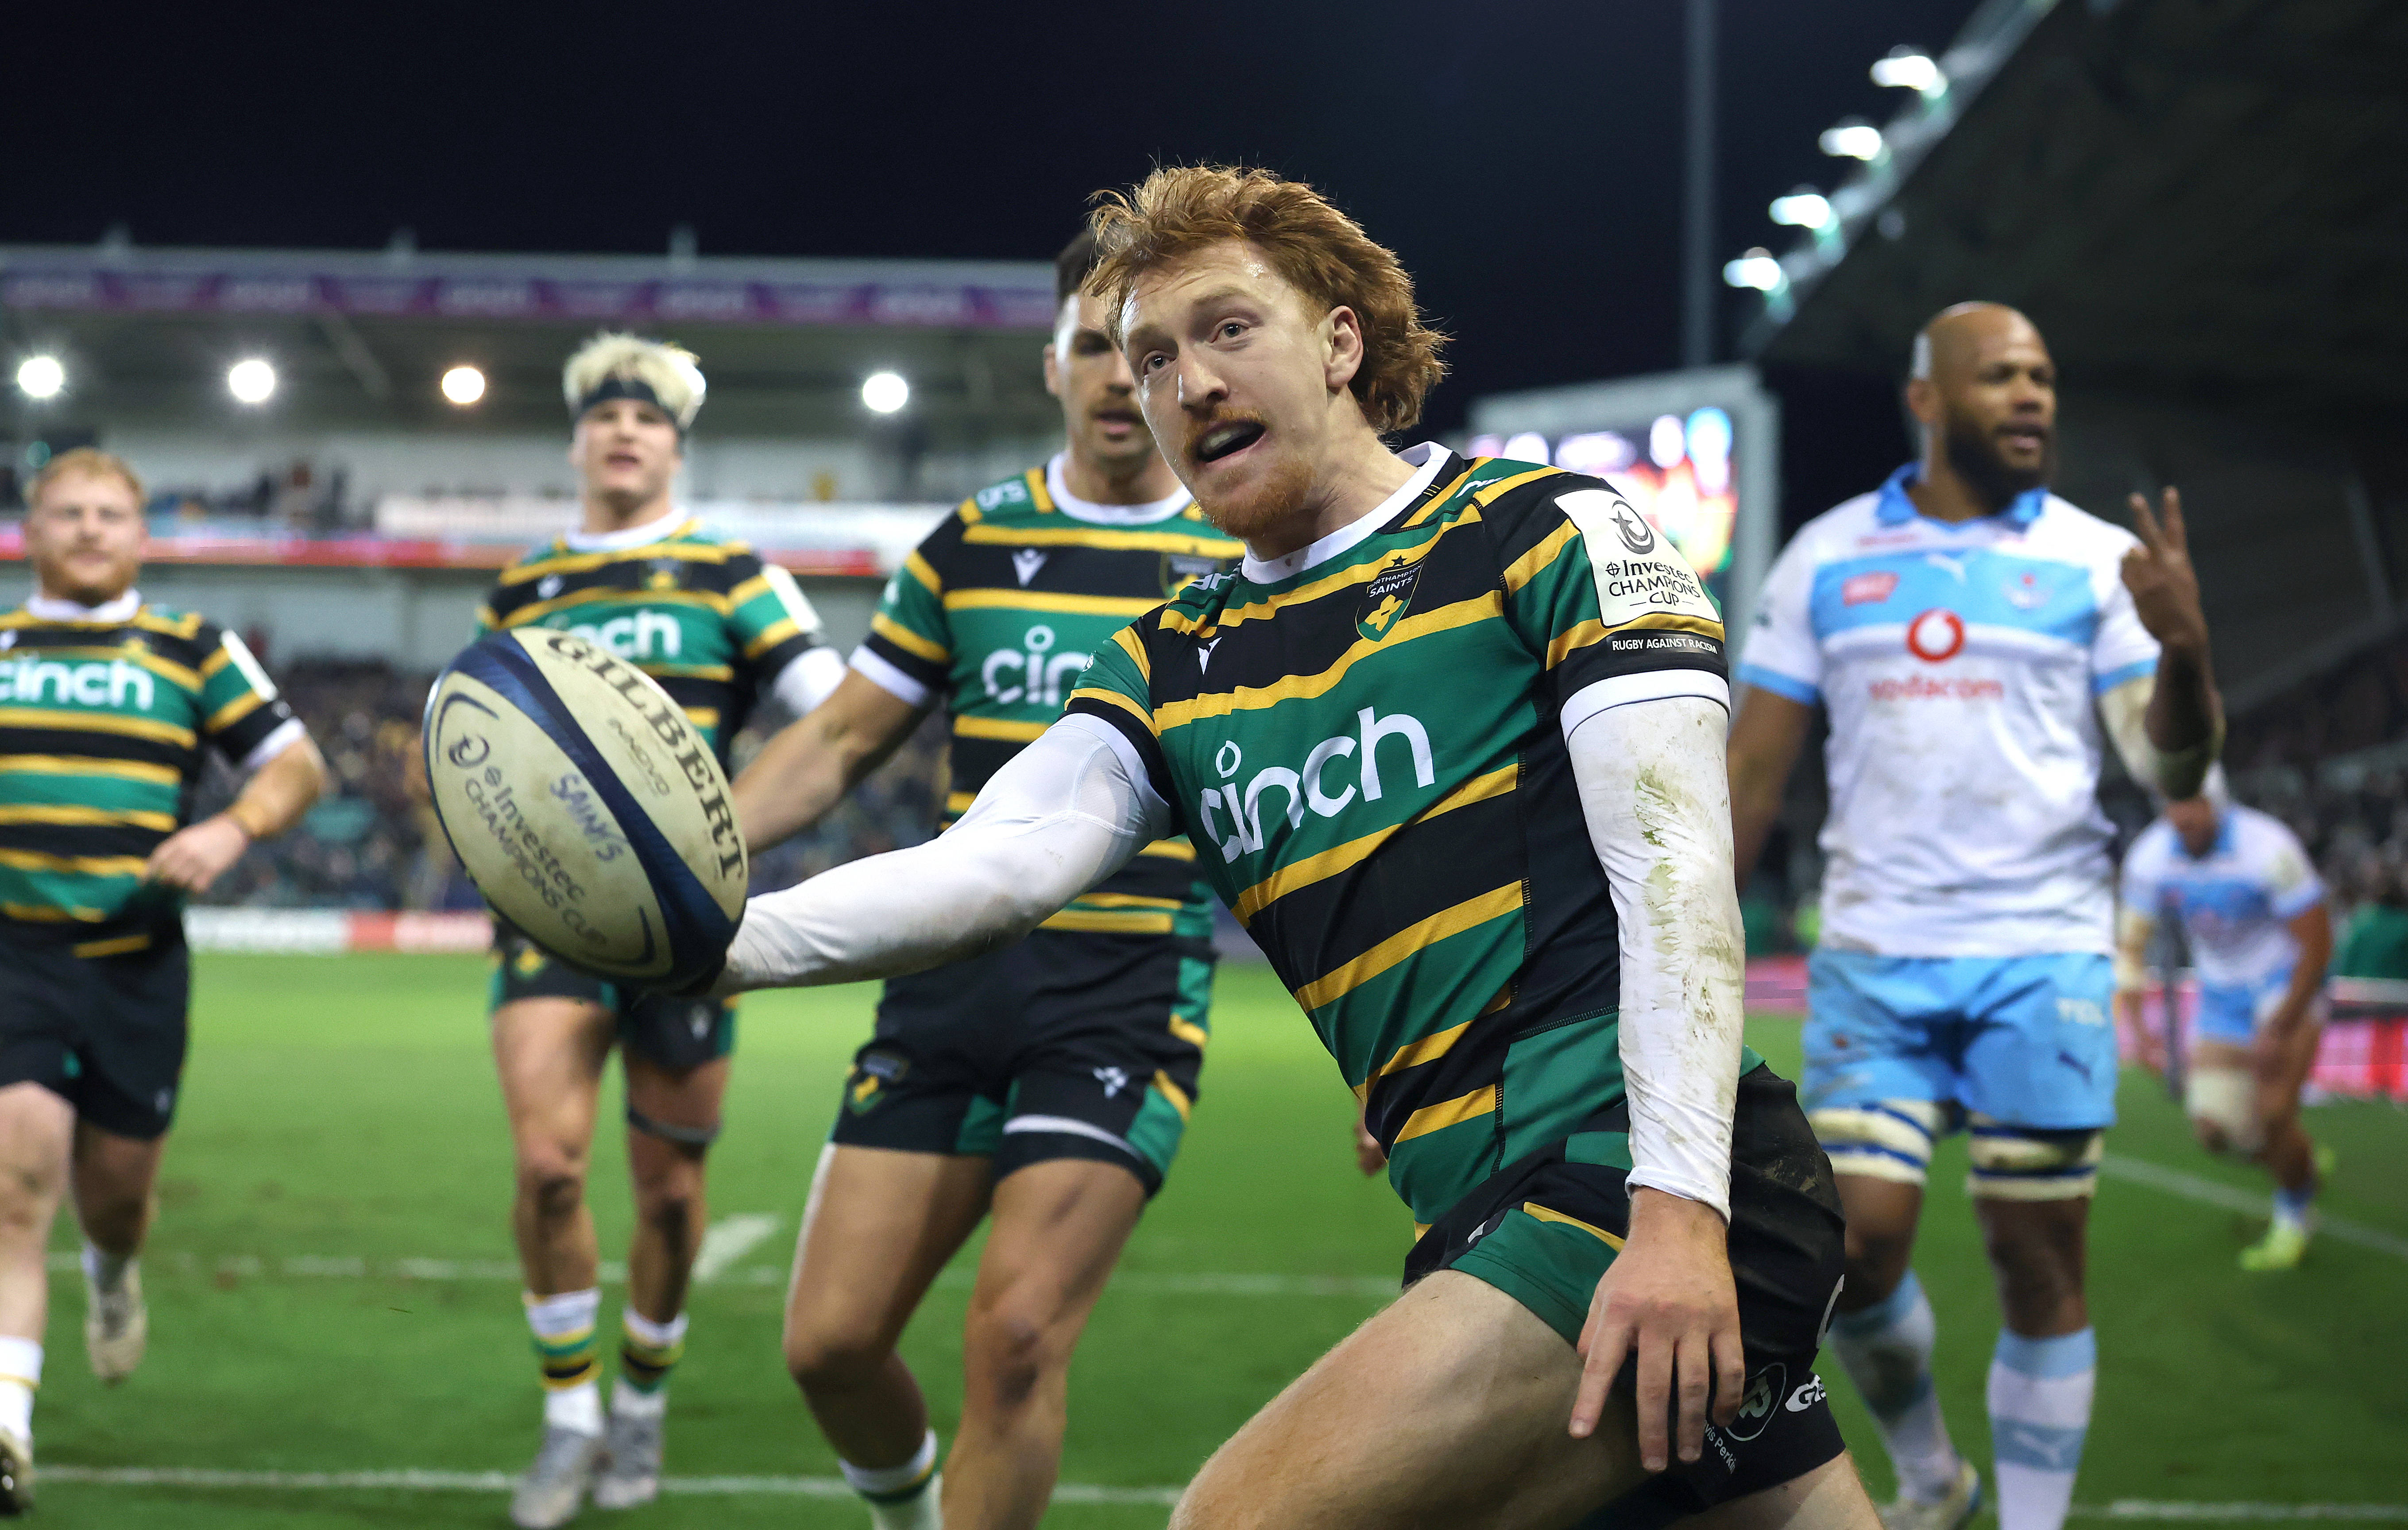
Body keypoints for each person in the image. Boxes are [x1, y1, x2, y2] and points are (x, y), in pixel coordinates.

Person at [715, 166, 1876, 1530]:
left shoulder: (1548, 529)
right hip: (1489, 1205)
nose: (1186, 381)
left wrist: (1677, 1218)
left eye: (1225, 329)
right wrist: (718, 939)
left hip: (1640, 1189)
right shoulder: (1174, 655)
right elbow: (993, 863)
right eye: (1152, 355)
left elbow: (1679, 877)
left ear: (1339, 343)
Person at [733, 229, 1240, 1530]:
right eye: (1093, 348)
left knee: (1015, 1335)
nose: (1119, 378)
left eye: (1143, 352)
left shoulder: (1242, 555)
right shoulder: (968, 542)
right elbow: (842, 737)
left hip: (1122, 983)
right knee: (829, 1345)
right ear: (1054, 366)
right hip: (946, 974)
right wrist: (698, 863)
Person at [1725, 303, 2223, 1530]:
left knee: (2036, 1255)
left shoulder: (2094, 557)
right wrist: (1683, 938)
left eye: (2042, 376)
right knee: (1854, 1253)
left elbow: (2168, 770)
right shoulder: (1824, 557)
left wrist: (2183, 654)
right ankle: (1934, 1473)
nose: (2030, 395)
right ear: (1925, 398)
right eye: (1999, 374)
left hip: (2038, 955)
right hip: (1872, 958)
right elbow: (1747, 774)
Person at [478, 334, 843, 1528]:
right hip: (549, 915)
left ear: (675, 447)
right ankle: (570, 1414)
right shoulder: (525, 581)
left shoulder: (730, 568)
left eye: (648, 422)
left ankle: (643, 1391)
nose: (624, 433)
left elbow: (829, 709)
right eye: (604, 419)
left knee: (674, 1198)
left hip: (687, 928)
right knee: (546, 1166)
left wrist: (725, 835)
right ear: (577, 441)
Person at [0, 448, 328, 1511]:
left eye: (110, 514)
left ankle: (110, 1271)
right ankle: (7, 1429)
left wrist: (233, 825)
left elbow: (296, 763)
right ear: (31, 529)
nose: (89, 529)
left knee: (118, 1197)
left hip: (139, 963)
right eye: (67, 513)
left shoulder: (191, 646)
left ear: (141, 534)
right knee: (17, 1176)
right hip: (16, 955)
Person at [2116, 779, 2332, 1269]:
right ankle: (2301, 1163)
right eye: (2175, 803)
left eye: (2195, 803)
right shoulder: (2149, 857)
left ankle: (2294, 1217)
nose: (2185, 815)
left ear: (2218, 801)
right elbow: (2130, 947)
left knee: (2274, 1111)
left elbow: (2316, 941)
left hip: (2286, 981)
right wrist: (2141, 1031)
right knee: (2215, 1130)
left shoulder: (2269, 846)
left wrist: (2280, 1024)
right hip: (2220, 996)